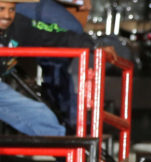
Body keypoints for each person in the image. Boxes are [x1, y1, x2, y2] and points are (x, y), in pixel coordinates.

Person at [0, 0, 115, 136]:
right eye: (1, 9)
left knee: (42, 118)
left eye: (11, 9)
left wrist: (95, 46)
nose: (7, 15)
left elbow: (57, 35)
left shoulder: (19, 25)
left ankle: (69, 154)